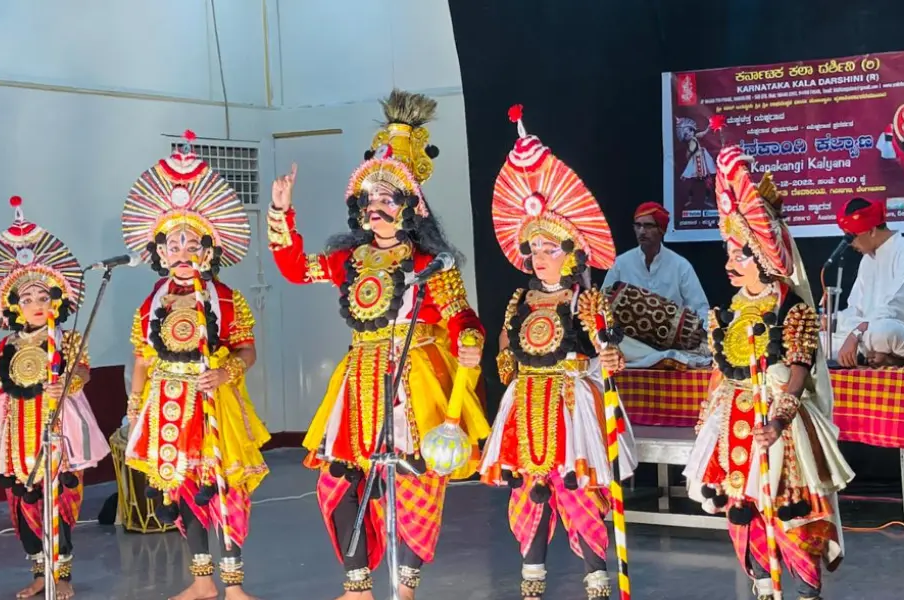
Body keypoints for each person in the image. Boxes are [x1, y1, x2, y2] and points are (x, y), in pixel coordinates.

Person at [267, 89, 490, 600]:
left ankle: (406, 587)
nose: (377, 207)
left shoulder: (429, 264)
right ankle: (357, 585)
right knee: (339, 480)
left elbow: (461, 318)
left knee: (413, 485)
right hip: (359, 378)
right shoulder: (349, 259)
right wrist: (282, 212)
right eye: (369, 199)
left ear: (410, 207)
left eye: (388, 199)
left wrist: (471, 341)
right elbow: (297, 269)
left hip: (412, 380)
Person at [479, 105, 638, 600]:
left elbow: (605, 348)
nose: (540, 258)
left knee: (578, 492)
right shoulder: (518, 300)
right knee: (529, 494)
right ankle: (531, 585)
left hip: (571, 405)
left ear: (570, 253)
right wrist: (503, 354)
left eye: (550, 249)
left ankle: (595, 584)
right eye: (534, 250)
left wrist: (608, 359)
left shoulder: (585, 299)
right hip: (526, 404)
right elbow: (507, 348)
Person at [683, 146, 855, 600]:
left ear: (762, 256)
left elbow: (799, 369)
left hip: (780, 426)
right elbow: (720, 372)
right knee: (740, 509)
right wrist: (709, 416)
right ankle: (762, 587)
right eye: (728, 254)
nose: (728, 264)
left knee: (791, 511)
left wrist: (779, 420)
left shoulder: (790, 308)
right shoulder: (729, 312)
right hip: (734, 423)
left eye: (738, 255)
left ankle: (804, 592)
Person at [122, 131, 270, 600]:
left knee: (224, 491)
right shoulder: (150, 304)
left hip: (215, 406)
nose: (182, 256)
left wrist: (228, 372)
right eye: (173, 247)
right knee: (182, 494)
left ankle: (234, 584)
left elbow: (248, 351)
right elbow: (141, 359)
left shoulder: (227, 300)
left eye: (192, 247)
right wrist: (134, 407)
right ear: (159, 253)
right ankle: (202, 581)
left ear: (208, 250)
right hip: (167, 409)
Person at [0, 196, 109, 600]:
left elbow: (83, 371)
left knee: (60, 502)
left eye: (42, 298)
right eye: (26, 299)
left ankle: (61, 573)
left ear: (56, 301)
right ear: (14, 306)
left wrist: (69, 381)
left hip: (59, 431)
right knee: (21, 504)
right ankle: (38, 571)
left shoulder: (67, 340)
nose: (35, 305)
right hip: (14, 436)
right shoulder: (5, 346)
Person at [830, 197, 904, 374]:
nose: (850, 244)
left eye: (852, 237)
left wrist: (856, 333)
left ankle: (879, 353)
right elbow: (855, 309)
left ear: (871, 230)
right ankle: (882, 356)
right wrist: (832, 321)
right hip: (868, 334)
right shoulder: (867, 261)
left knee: (884, 331)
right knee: (822, 338)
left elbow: (894, 308)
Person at [602, 201, 710, 368]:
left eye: (648, 226)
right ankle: (662, 358)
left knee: (701, 347)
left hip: (672, 342)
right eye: (637, 226)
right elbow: (602, 302)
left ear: (661, 230)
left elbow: (701, 307)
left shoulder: (680, 265)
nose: (642, 231)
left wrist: (698, 332)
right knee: (615, 344)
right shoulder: (621, 263)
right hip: (632, 344)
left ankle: (665, 357)